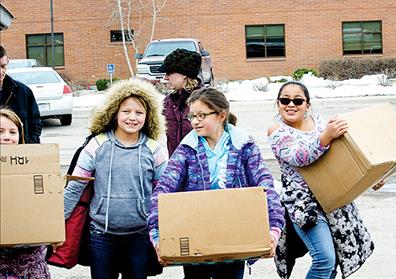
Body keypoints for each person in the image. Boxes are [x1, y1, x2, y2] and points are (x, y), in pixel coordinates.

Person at [148, 87, 285, 278]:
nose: (195, 121)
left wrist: (274, 229)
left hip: (234, 240)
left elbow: (265, 186)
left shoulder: (244, 145)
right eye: (192, 116)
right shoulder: (187, 149)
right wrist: (156, 235)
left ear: (221, 115)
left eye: (202, 115)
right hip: (195, 240)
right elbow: (163, 190)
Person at [61, 78, 168, 279]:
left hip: (139, 236)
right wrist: (55, 224)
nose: (132, 117)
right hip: (101, 236)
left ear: (149, 116)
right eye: (126, 111)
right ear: (114, 113)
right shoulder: (96, 145)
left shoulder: (154, 150)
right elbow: (75, 186)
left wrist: (164, 232)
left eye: (139, 112)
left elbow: (163, 194)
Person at [267, 81, 374, 279]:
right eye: (285, 100)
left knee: (333, 261)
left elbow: (342, 156)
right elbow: (298, 157)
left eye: (298, 101)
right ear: (278, 104)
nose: (291, 105)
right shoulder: (276, 131)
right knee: (324, 259)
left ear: (307, 104)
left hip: (333, 198)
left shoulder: (320, 122)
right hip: (303, 205)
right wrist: (326, 137)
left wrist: (370, 175)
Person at [0, 108, 51, 278]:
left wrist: (53, 230)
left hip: (30, 260)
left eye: (12, 132)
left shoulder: (34, 167)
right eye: (0, 131)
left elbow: (48, 205)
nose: (7, 136)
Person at [160, 48, 203, 156]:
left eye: (169, 72)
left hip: (201, 168)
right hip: (175, 167)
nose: (166, 77)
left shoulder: (206, 101)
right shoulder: (168, 103)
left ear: (184, 74)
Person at [0, 45, 42, 143]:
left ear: (8, 62)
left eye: (3, 66)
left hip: (19, 155)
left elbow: (35, 124)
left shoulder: (23, 92)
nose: (0, 71)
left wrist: (29, 147)